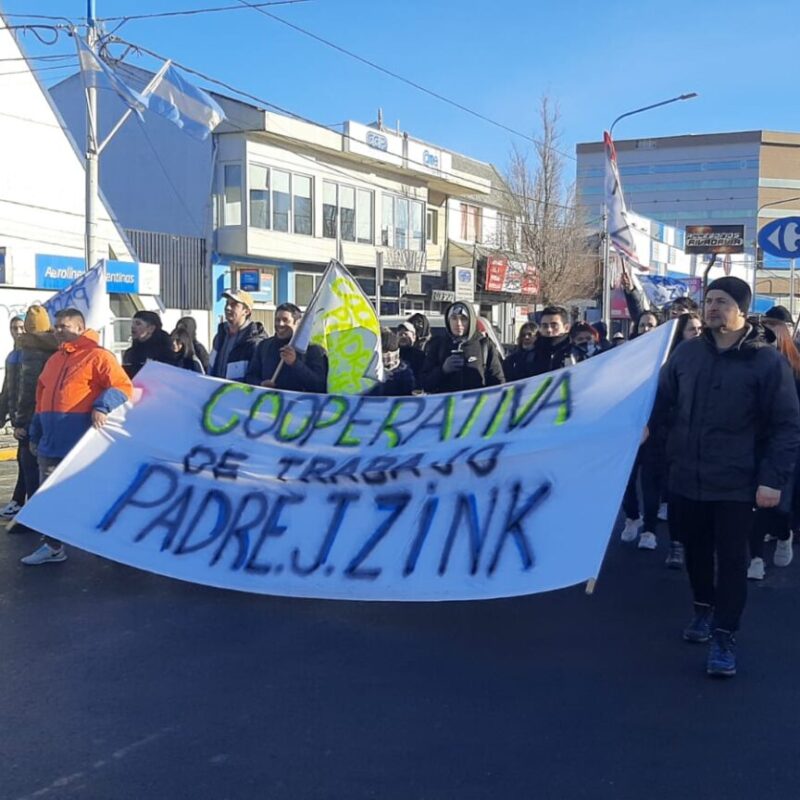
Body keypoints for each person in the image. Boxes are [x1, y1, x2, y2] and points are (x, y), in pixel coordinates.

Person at [652, 276, 800, 677]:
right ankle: (703, 609)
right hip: (687, 477)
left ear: (742, 310)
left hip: (738, 482)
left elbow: (787, 426)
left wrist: (773, 479)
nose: (713, 307)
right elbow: (661, 402)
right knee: (696, 553)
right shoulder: (686, 354)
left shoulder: (767, 362)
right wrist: (644, 429)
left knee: (733, 560)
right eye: (710, 300)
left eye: (722, 301)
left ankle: (724, 635)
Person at [21, 308, 133, 566]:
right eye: (57, 326)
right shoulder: (53, 360)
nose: (58, 330)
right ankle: (53, 546)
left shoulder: (98, 355)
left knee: (94, 496)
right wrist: (36, 432)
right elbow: (41, 399)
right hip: (51, 444)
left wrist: (102, 406)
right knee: (48, 498)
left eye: (65, 326)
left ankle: (108, 543)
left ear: (80, 328)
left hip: (82, 443)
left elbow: (123, 386)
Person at [746, 320, 800, 580]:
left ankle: (783, 533)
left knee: (778, 506)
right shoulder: (748, 367)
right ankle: (756, 558)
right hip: (750, 445)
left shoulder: (794, 370)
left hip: (784, 447)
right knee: (751, 505)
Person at [8, 306, 59, 521]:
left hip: (30, 419)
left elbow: (26, 390)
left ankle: (33, 517)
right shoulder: (57, 348)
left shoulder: (30, 350)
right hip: (50, 415)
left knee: (29, 466)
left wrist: (19, 421)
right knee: (40, 466)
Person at [421, 301, 504, 393]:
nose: (458, 323)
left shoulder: (484, 345)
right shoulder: (438, 345)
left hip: (476, 401)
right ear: (448, 320)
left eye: (464, 319)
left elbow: (498, 383)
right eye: (454, 318)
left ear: (471, 321)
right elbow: (424, 383)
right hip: (446, 402)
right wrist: (443, 370)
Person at [245, 302, 327, 392]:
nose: (280, 324)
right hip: (269, 399)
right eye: (277, 320)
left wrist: (295, 363)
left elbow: (319, 385)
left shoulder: (313, 350)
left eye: (285, 320)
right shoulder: (263, 346)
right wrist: (260, 384)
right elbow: (250, 377)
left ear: (297, 323)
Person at [0, 315, 26, 518]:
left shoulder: (31, 355)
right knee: (23, 461)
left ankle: (19, 501)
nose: (17, 332)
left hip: (27, 419)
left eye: (21, 328)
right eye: (14, 328)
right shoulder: (12, 356)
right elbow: (7, 388)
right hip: (17, 417)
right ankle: (17, 501)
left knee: (26, 461)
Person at [209, 290, 266, 381]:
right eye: (227, 303)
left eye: (234, 305)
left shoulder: (255, 343)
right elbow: (211, 368)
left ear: (246, 311)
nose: (228, 308)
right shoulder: (220, 337)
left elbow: (256, 378)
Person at [122, 310, 175, 379]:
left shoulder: (164, 352)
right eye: (132, 323)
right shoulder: (130, 353)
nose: (133, 326)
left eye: (138, 324)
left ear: (151, 328)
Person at [527, 306, 578, 376]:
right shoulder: (530, 355)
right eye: (545, 326)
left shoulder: (577, 354)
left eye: (554, 326)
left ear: (567, 328)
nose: (549, 330)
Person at [373, 329, 415, 396]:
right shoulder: (367, 371)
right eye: (384, 351)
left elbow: (407, 394)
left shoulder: (404, 372)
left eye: (392, 350)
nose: (389, 355)